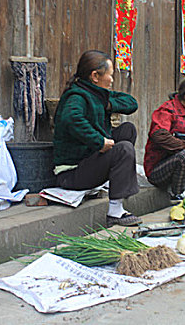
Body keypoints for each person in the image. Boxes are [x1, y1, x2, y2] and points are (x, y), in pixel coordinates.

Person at [52, 50, 142, 227]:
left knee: (127, 130)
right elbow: (72, 119)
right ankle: (115, 211)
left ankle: (113, 182)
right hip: (72, 174)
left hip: (90, 162)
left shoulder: (97, 94)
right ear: (95, 76)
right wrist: (99, 142)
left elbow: (131, 103)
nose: (112, 79)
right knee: (124, 149)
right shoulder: (76, 97)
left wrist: (108, 104)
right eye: (110, 75)